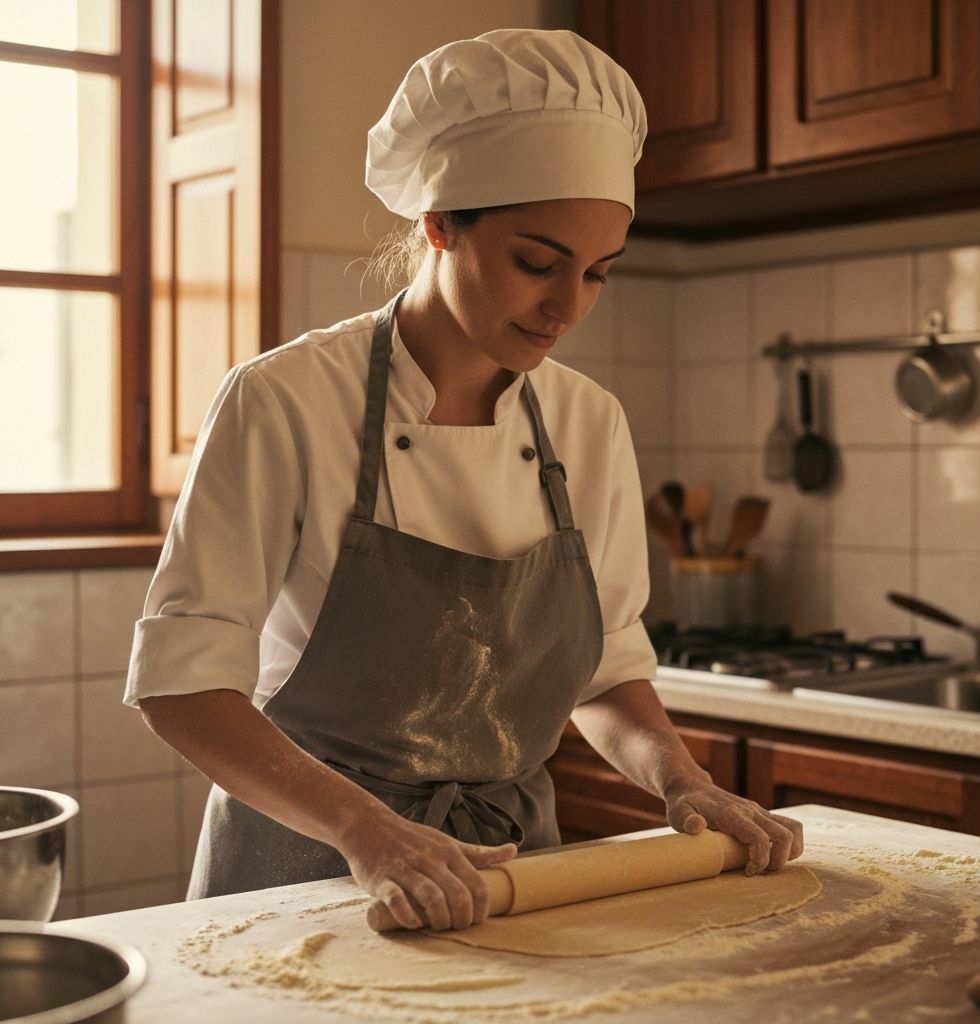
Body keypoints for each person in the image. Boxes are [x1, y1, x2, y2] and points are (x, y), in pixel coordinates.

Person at [125, 28, 802, 933]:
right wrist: (368, 830)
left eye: (598, 274)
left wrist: (682, 781)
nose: (568, 306)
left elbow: (606, 670)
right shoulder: (284, 401)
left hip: (511, 875)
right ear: (441, 224)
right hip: (304, 872)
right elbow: (181, 685)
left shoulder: (589, 422)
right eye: (538, 264)